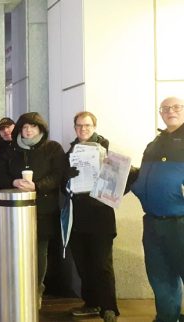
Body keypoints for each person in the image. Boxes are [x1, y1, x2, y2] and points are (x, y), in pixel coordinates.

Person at [0, 112, 65, 308]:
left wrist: (38, 185)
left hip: (43, 209)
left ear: (40, 128)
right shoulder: (11, 150)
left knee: (39, 250)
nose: (28, 130)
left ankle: (36, 290)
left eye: (32, 127)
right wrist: (13, 181)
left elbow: (58, 175)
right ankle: (17, 288)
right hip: (14, 211)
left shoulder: (53, 148)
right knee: (16, 250)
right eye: (25, 127)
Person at [131, 96, 184, 322]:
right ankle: (167, 318)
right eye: (165, 108)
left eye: (176, 107)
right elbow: (145, 176)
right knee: (161, 278)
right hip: (152, 222)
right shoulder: (154, 143)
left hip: (180, 222)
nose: (170, 111)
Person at [63, 112, 119, 321]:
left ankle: (109, 308)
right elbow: (64, 186)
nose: (83, 129)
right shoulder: (70, 151)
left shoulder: (106, 151)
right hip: (77, 218)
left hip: (100, 217)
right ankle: (92, 303)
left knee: (102, 264)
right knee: (83, 264)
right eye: (79, 125)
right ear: (75, 127)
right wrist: (67, 178)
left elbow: (118, 183)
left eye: (87, 125)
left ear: (94, 127)